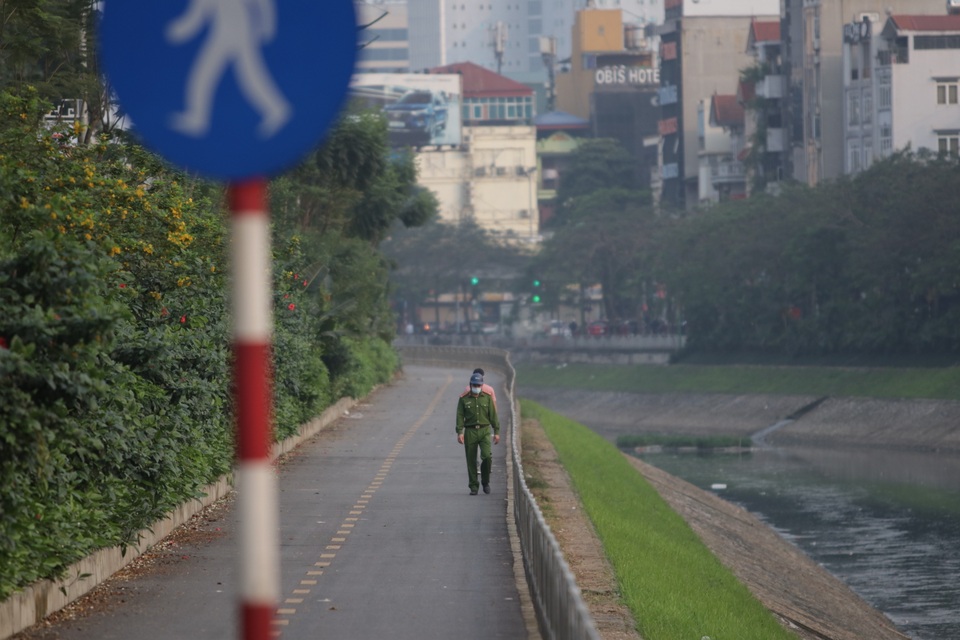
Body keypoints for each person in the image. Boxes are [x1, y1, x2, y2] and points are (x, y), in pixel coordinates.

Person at [456, 372, 500, 495]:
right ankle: (474, 486)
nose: (477, 387)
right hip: (470, 431)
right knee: (471, 460)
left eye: (479, 385)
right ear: (470, 385)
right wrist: (460, 431)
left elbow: (493, 415)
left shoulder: (487, 397)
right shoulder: (463, 399)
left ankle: (485, 481)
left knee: (486, 457)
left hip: (485, 430)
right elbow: (460, 416)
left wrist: (496, 431)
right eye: (475, 385)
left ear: (482, 385)